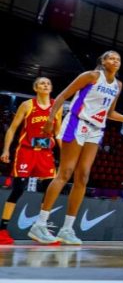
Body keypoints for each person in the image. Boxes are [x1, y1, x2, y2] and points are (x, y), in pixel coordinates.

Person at [28, 52, 123, 245]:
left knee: (83, 176)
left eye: (118, 59)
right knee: (65, 172)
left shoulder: (118, 85)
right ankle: (39, 224)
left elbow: (110, 113)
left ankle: (67, 228)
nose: (115, 61)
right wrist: (50, 119)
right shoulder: (91, 76)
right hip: (77, 122)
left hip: (96, 128)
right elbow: (62, 95)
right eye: (111, 58)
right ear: (102, 61)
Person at [0, 77, 61, 245]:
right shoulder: (27, 105)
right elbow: (12, 129)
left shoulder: (57, 106)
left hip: (46, 153)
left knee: (50, 190)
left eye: (48, 83)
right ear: (36, 88)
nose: (46, 85)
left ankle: (41, 227)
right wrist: (6, 150)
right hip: (26, 152)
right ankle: (2, 229)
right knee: (18, 189)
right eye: (42, 83)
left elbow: (58, 133)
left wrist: (65, 155)